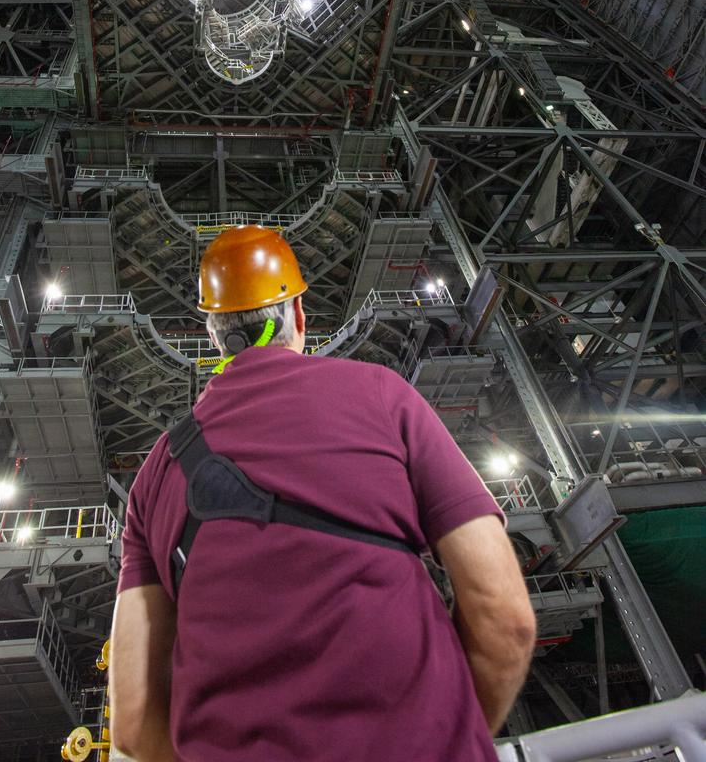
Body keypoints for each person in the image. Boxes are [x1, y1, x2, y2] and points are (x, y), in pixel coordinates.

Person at [110, 226, 536, 761]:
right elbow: (505, 616)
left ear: (215, 335)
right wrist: (447, 734)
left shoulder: (154, 476)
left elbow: (131, 721)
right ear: (299, 316)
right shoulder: (381, 395)